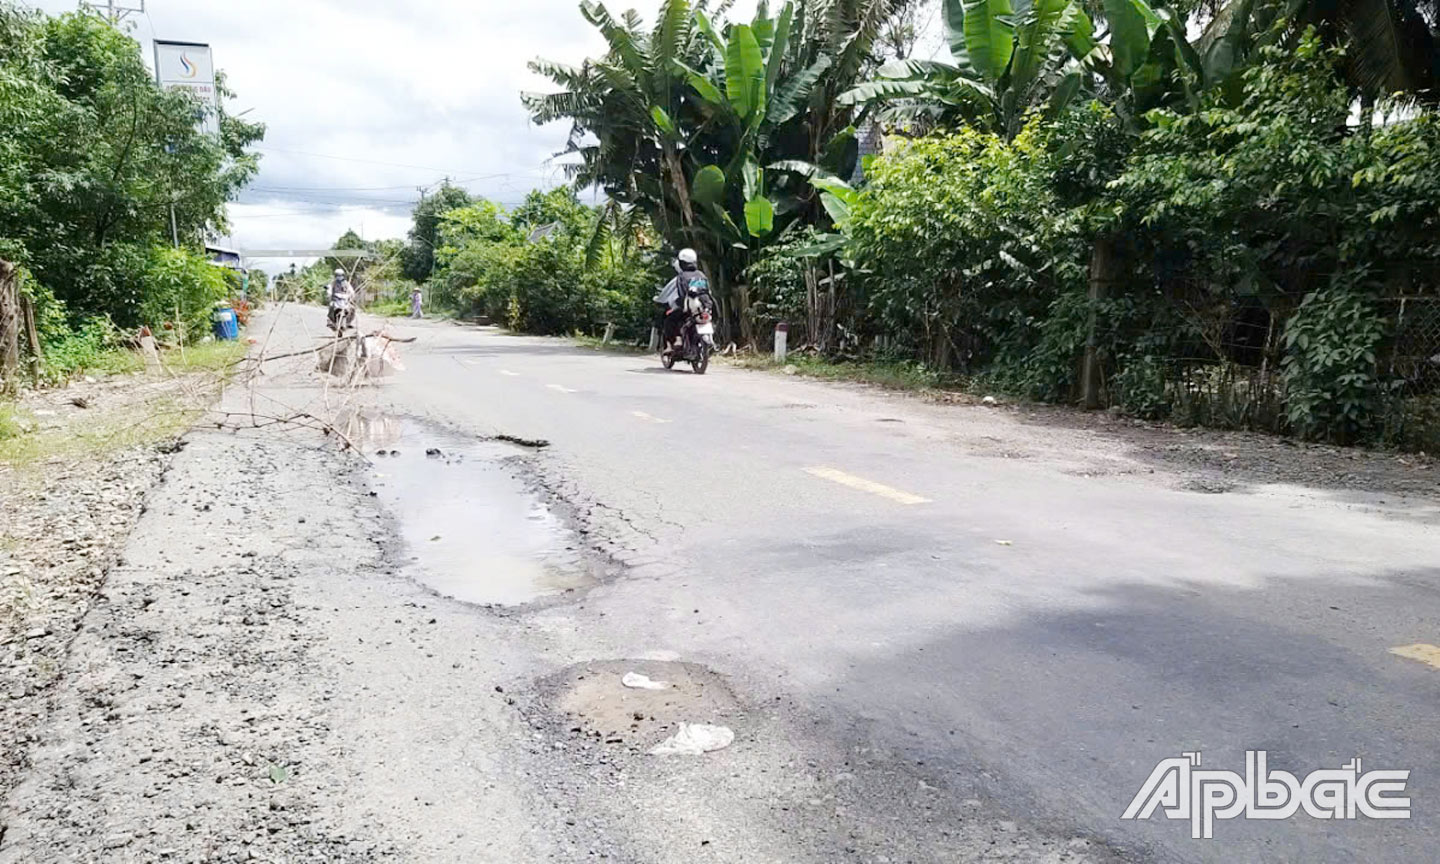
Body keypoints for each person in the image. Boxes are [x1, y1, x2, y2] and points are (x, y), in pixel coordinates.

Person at [654, 249, 708, 352]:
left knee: (670, 321)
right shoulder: (701, 275)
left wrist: (658, 300)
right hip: (704, 308)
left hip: (686, 308)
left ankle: (677, 340)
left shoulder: (680, 277)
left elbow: (665, 294)